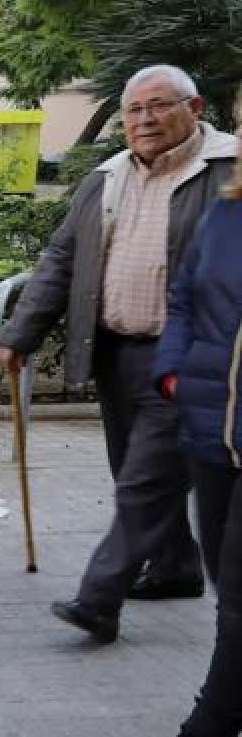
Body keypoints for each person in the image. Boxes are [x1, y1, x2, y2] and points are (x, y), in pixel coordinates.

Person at [0, 64, 238, 643]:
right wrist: (20, 333)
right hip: (115, 351)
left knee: (145, 483)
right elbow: (61, 261)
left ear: (195, 107)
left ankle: (98, 599)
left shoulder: (228, 173)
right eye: (134, 109)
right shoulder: (104, 178)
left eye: (158, 106)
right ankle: (176, 568)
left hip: (191, 360)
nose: (144, 120)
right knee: (139, 471)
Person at [152, 119, 242, 737]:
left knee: (239, 589)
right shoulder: (226, 214)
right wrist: (174, 373)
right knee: (224, 580)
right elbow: (184, 297)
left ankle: (213, 717)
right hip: (210, 425)